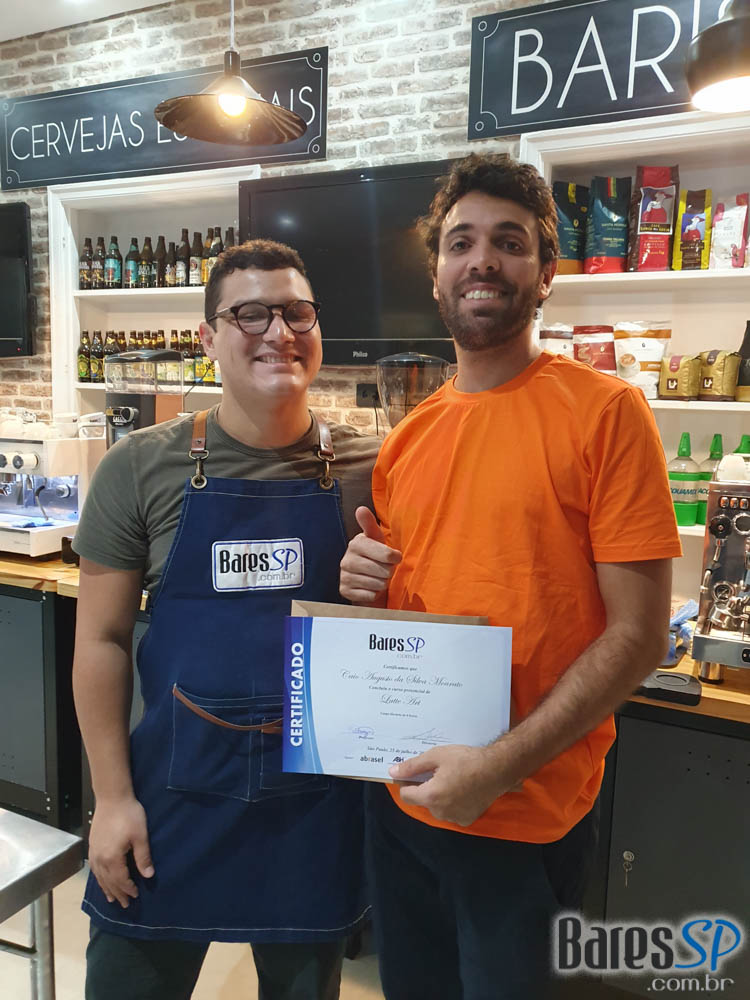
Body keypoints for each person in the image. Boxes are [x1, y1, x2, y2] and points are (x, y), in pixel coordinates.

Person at [339, 153, 682, 1000]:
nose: (481, 260)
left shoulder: (608, 413)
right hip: (403, 802)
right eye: (460, 242)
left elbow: (639, 636)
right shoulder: (409, 438)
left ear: (546, 273)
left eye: (509, 242)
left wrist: (496, 767)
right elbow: (420, 606)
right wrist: (365, 584)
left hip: (526, 818)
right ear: (436, 274)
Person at [73, 239, 379, 1000]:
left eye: (298, 312)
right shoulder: (139, 467)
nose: (280, 332)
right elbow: (101, 641)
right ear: (208, 338)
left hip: (315, 811)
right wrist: (111, 800)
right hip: (169, 801)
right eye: (251, 314)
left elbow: (408, 629)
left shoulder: (375, 469)